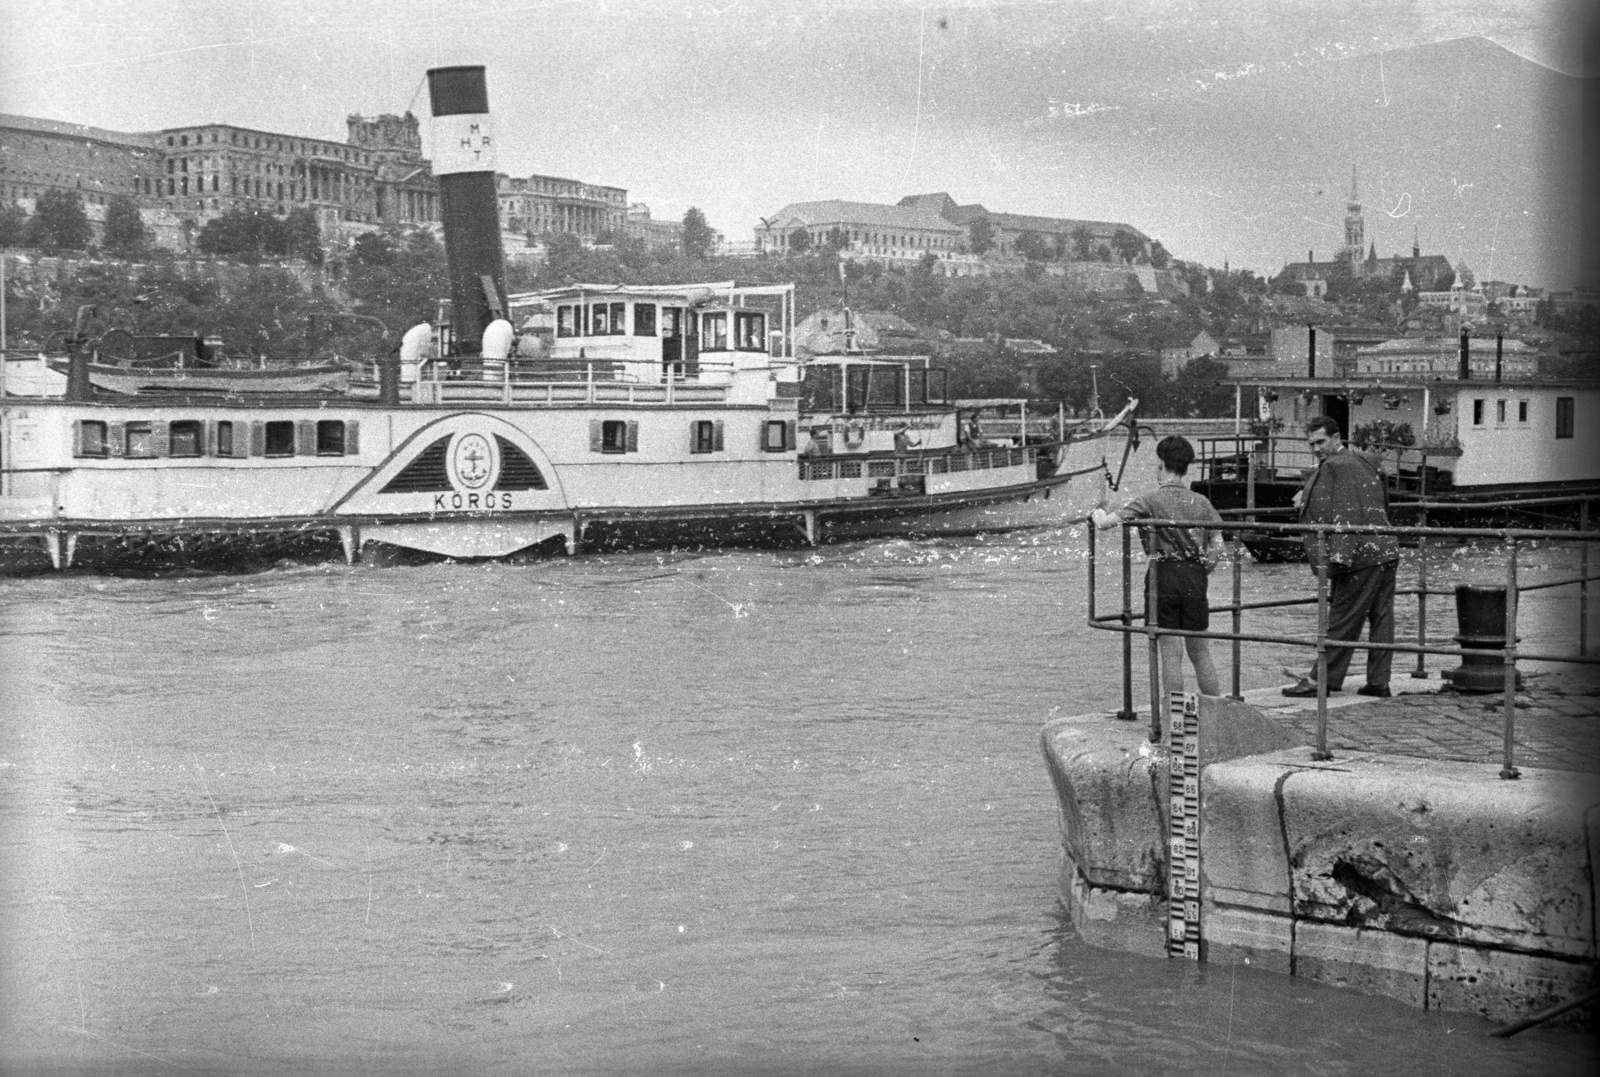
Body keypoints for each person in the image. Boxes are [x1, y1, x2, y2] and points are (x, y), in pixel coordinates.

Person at [1091, 435, 1224, 698]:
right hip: (1195, 576)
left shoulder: (1149, 500)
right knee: (1200, 652)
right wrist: (1201, 569)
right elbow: (1218, 546)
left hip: (1162, 575)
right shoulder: (1202, 502)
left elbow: (1107, 523)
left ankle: (1173, 723)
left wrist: (1096, 513)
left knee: (1171, 655)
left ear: (1161, 464)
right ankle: (1217, 713)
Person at [1282, 416, 1399, 698]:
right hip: (1384, 548)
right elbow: (1370, 501)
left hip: (1360, 556)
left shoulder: (1338, 465)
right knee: (1382, 617)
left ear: (1337, 438)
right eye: (1311, 443)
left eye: (1321, 441)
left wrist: (1339, 558)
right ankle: (1379, 681)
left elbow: (1347, 511)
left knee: (1342, 617)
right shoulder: (1362, 461)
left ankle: (1320, 680)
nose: (1316, 449)